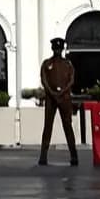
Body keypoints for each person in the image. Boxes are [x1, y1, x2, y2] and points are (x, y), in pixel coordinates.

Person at [38, 38, 78, 166]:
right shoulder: (47, 63)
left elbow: (71, 80)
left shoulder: (67, 64)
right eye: (56, 49)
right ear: (52, 49)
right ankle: (43, 156)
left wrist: (61, 92)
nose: (57, 51)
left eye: (59, 49)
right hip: (51, 98)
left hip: (64, 99)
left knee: (68, 126)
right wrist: (52, 92)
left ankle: (74, 156)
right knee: (47, 126)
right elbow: (44, 79)